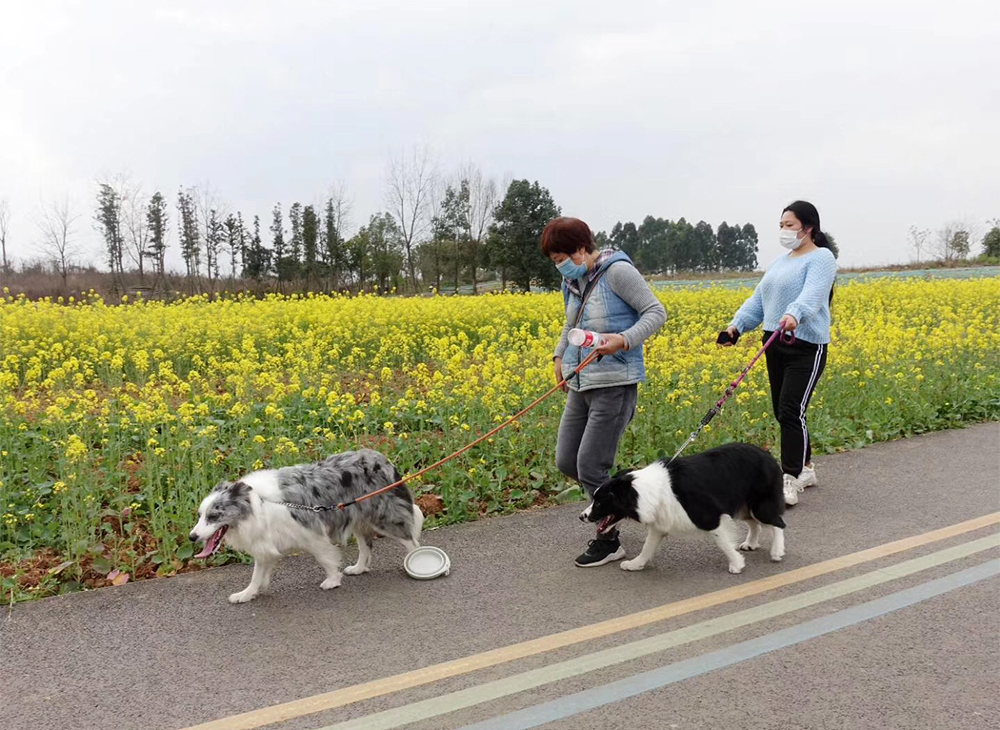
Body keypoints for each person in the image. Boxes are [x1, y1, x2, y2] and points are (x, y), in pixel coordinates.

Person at [543, 217, 666, 567]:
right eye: (554, 259)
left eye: (561, 256)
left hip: (614, 384)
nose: (559, 264)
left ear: (582, 249)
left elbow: (656, 312)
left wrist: (623, 340)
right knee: (567, 460)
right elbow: (572, 325)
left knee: (590, 465)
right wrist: (559, 356)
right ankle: (632, 491)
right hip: (580, 384)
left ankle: (608, 539)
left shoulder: (618, 272)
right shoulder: (573, 279)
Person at [721, 200, 838, 506]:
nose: (784, 231)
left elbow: (813, 294)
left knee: (790, 409)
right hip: (774, 342)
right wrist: (736, 327)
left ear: (808, 228)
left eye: (790, 225)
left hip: (805, 344)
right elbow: (759, 300)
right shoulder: (780, 262)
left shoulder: (822, 258)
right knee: (784, 411)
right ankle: (807, 468)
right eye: (782, 225)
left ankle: (791, 476)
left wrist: (795, 314)